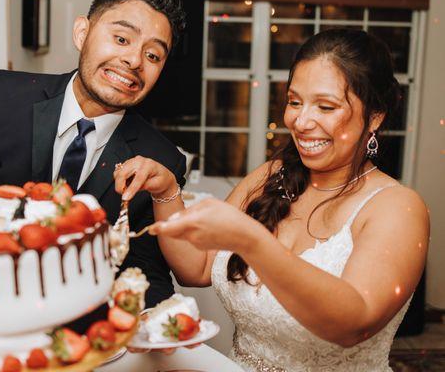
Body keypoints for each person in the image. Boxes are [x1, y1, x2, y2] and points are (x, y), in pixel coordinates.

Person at [115, 29, 429, 370]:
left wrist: (253, 242)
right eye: (295, 102)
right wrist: (165, 191)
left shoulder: (397, 207)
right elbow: (197, 268)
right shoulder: (272, 175)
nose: (301, 121)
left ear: (375, 116)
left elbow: (354, 324)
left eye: (325, 106)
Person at [0, 0, 187, 308]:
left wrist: (164, 325)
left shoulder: (161, 160)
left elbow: (146, 273)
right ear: (82, 33)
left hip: (83, 334)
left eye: (153, 55)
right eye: (121, 38)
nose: (134, 60)